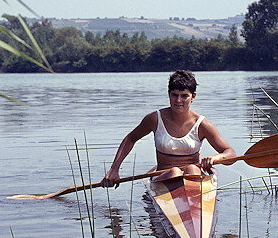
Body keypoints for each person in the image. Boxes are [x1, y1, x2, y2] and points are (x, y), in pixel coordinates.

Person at [100, 70, 236, 187]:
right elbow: (131, 138)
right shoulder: (154, 119)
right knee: (175, 172)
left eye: (184, 96)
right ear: (168, 94)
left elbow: (231, 154)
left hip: (194, 176)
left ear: (193, 97)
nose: (178, 101)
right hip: (164, 177)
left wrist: (215, 158)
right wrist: (114, 169)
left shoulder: (202, 124)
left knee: (192, 169)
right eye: (174, 95)